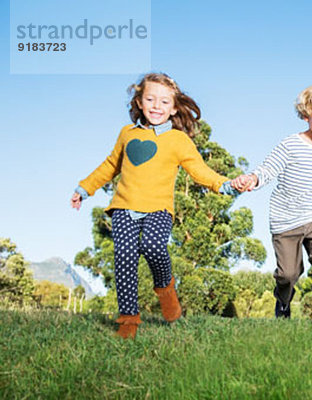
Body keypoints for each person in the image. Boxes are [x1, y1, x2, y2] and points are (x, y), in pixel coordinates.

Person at [71, 73, 237, 339]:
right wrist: (85, 188)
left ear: (173, 108)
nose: (156, 106)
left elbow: (200, 172)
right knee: (124, 257)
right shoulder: (127, 134)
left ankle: (166, 288)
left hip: (159, 209)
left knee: (152, 246)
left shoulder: (178, 140)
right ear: (139, 101)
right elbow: (110, 166)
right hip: (123, 207)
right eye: (150, 99)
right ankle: (128, 320)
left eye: (164, 101)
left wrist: (226, 185)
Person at [231, 83, 312, 332]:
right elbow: (268, 169)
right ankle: (283, 300)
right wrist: (252, 179)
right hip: (286, 220)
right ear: (306, 114)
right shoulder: (290, 145)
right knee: (288, 274)